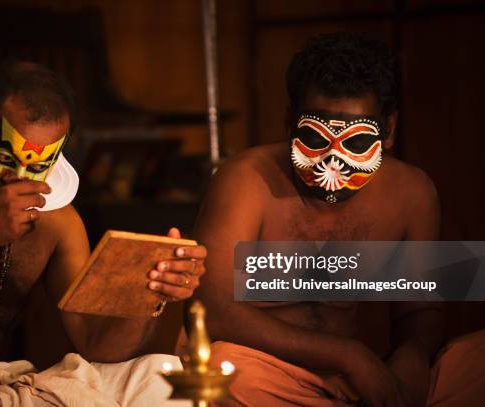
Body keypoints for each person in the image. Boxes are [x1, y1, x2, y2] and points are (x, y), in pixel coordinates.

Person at [0, 61, 205, 406]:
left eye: (36, 166)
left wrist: (149, 293)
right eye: (4, 156)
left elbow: (97, 345)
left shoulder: (57, 220)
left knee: (160, 377)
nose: (17, 177)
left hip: (4, 386)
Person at [193, 32, 484, 406]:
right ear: (289, 122)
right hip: (278, 377)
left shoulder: (413, 191)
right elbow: (211, 310)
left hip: (378, 376)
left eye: (357, 142)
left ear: (389, 130)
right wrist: (348, 357)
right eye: (315, 139)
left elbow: (421, 310)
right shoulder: (244, 179)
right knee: (224, 369)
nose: (334, 163)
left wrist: (409, 361)